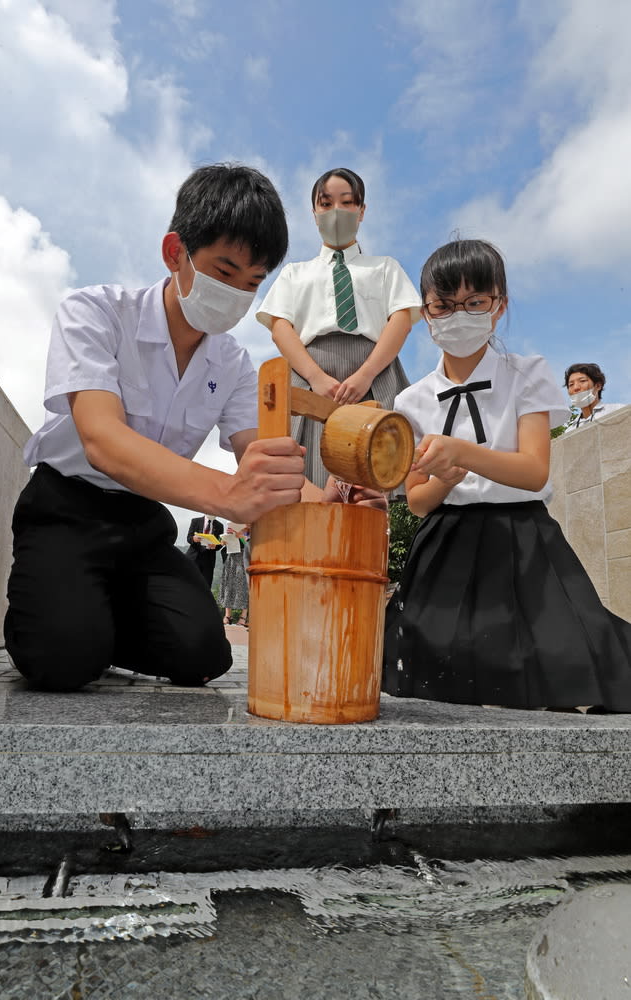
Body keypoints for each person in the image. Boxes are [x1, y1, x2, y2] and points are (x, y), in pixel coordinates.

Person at [5, 163, 307, 693]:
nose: (237, 293)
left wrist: (338, 499)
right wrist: (227, 496)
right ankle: (67, 618)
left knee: (204, 655)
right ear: (175, 253)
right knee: (61, 662)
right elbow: (102, 441)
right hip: (65, 507)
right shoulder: (96, 312)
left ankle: (92, 617)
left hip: (143, 521)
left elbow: (261, 459)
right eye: (224, 270)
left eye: (253, 283)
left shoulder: (235, 364)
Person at [383, 238, 631, 712]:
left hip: (522, 536)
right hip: (446, 542)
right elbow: (416, 501)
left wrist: (463, 453)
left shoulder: (527, 373)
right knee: (440, 671)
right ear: (426, 311)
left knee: (562, 658)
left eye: (475, 302)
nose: (460, 315)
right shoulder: (412, 400)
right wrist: (447, 479)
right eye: (444, 305)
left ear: (499, 304)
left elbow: (535, 472)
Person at [256, 167, 422, 487]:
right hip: (310, 372)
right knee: (309, 470)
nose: (336, 211)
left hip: (374, 370)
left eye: (347, 202)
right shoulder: (294, 273)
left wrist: (366, 374)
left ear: (362, 211)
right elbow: (280, 326)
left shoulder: (385, 268)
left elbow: (400, 321)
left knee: (374, 468)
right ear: (314, 212)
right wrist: (316, 377)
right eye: (326, 202)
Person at [563, 363, 625, 432]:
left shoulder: (617, 410)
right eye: (571, 384)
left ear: (598, 386)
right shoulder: (569, 430)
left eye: (582, 381)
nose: (576, 387)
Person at [218, 523, 249, 626]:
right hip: (231, 555)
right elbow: (222, 542)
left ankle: (243, 616)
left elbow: (251, 545)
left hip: (244, 557)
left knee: (243, 585)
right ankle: (227, 615)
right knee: (228, 584)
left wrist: (242, 537)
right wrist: (224, 540)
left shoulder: (253, 527)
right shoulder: (231, 525)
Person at [186, 513, 225, 587]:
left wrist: (215, 546)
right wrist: (193, 539)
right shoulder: (195, 521)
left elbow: (219, 544)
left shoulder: (220, 525)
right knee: (190, 584)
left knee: (206, 585)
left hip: (209, 559)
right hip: (194, 557)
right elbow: (189, 538)